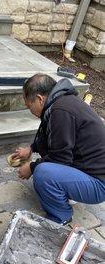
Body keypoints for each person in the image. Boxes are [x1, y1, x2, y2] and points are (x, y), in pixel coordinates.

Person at [13, 73, 105, 225]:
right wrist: (31, 148)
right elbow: (53, 138)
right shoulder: (62, 102)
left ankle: (60, 216)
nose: (30, 110)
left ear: (40, 99)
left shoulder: (61, 111)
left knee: (43, 173)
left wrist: (32, 166)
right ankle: (67, 191)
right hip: (91, 170)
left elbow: (61, 158)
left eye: (29, 106)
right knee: (46, 166)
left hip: (99, 184)